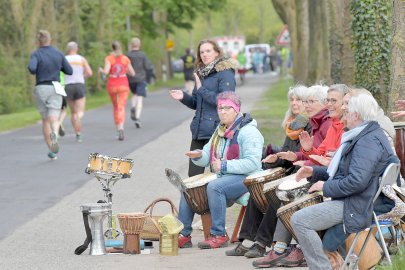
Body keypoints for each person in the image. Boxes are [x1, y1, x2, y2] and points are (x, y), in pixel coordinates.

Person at [291, 93, 396, 270]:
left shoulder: (367, 142)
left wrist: (326, 186)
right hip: (360, 198)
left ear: (356, 115)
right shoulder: (366, 135)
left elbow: (356, 181)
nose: (343, 115)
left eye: (347, 112)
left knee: (299, 220)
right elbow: (351, 173)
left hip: (359, 203)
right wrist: (315, 171)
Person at [225, 85, 310, 259]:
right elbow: (287, 156)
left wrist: (287, 160)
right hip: (290, 171)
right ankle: (246, 240)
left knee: (274, 194)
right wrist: (276, 158)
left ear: (308, 103)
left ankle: (261, 243)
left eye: (299, 100)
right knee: (257, 190)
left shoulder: (309, 126)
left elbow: (305, 157)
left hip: (302, 174)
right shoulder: (293, 125)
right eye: (292, 99)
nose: (295, 103)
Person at [252, 84, 332, 268]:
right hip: (311, 170)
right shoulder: (316, 123)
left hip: (322, 176)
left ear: (323, 103)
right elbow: (316, 153)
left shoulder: (325, 124)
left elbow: (327, 157)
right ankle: (274, 246)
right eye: (305, 101)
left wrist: (306, 158)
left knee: (286, 194)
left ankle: (289, 247)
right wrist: (297, 155)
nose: (306, 105)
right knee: (277, 192)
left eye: (310, 101)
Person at [178, 91, 264, 249]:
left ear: (236, 110)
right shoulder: (220, 130)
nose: (222, 112)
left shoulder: (249, 132)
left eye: (227, 108)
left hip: (249, 178)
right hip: (225, 177)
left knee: (215, 186)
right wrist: (198, 155)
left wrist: (224, 165)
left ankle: (219, 234)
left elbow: (253, 163)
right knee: (187, 187)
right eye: (220, 108)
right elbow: (207, 154)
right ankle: (183, 234)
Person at [169, 39, 238, 177]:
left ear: (217, 52)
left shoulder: (225, 73)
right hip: (199, 131)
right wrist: (183, 96)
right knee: (193, 178)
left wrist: (201, 90)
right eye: (202, 52)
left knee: (217, 176)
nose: (204, 54)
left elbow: (226, 101)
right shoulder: (202, 73)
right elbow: (195, 103)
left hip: (218, 132)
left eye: (208, 51)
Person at [28, 30, 73, 160]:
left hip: (41, 87)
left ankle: (52, 151)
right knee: (54, 118)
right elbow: (69, 70)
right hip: (56, 86)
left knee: (45, 120)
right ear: (50, 40)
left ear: (38, 41)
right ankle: (55, 133)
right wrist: (58, 67)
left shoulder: (36, 54)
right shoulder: (58, 53)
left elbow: (32, 69)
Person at [99, 41, 135, 140]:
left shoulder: (109, 58)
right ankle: (121, 128)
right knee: (121, 107)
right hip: (123, 85)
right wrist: (125, 70)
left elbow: (106, 72)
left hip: (112, 85)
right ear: (121, 47)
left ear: (112, 48)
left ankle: (118, 128)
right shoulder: (125, 59)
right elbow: (132, 73)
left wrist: (101, 70)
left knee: (115, 107)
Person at [64, 41, 93, 142]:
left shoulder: (64, 59)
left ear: (68, 49)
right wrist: (82, 76)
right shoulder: (81, 59)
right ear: (76, 49)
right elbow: (89, 72)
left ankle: (77, 133)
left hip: (68, 86)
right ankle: (79, 120)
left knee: (73, 112)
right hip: (79, 85)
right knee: (80, 111)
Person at [127, 37, 153, 128]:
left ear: (131, 45)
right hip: (141, 78)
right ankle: (137, 118)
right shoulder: (142, 55)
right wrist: (150, 76)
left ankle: (133, 106)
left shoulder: (128, 55)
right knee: (140, 97)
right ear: (139, 45)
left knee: (134, 94)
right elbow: (147, 66)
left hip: (131, 79)